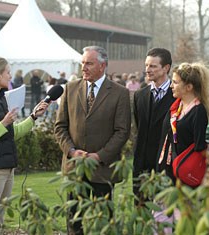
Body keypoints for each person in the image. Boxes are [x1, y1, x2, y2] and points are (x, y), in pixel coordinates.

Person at [54, 46, 131, 234]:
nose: (84, 67)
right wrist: (72, 151)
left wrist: (99, 156)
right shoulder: (70, 89)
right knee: (74, 222)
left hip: (102, 170)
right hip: (75, 168)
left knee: (104, 223)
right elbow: (60, 127)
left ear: (102, 66)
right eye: (82, 63)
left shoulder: (120, 93)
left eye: (89, 63)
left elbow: (122, 131)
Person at [0, 56, 48, 234]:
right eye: (8, 72)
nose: (11, 76)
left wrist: (33, 117)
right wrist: (3, 123)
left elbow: (12, 134)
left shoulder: (2, 100)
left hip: (7, 170)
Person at [157, 62, 209, 183]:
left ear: (189, 87)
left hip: (185, 171)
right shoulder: (175, 107)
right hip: (169, 168)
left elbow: (199, 146)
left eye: (175, 82)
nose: (171, 86)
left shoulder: (198, 111)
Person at [133, 48, 175, 198]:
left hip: (166, 166)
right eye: (146, 65)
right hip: (142, 166)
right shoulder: (140, 95)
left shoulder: (177, 96)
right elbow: (141, 127)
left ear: (166, 68)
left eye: (152, 66)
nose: (147, 70)